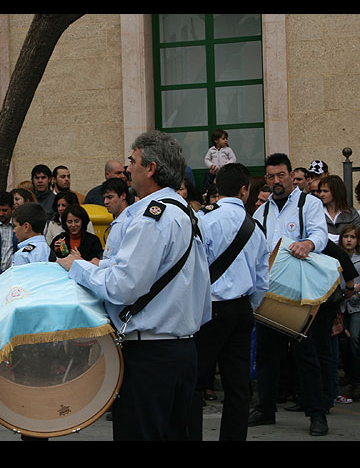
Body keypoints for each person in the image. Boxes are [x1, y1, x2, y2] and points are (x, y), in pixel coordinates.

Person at [57, 130, 212, 441]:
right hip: (181, 347)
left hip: (150, 352)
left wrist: (78, 267)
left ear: (151, 168)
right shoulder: (185, 213)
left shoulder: (151, 217)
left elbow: (123, 286)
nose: (128, 169)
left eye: (133, 161)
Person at [249, 152, 332, 436]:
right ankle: (266, 409)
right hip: (270, 294)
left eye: (281, 175)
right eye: (271, 177)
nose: (276, 181)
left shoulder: (308, 203)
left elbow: (321, 234)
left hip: (300, 293)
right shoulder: (262, 211)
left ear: (291, 176)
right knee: (267, 355)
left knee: (306, 354)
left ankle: (317, 414)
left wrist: (308, 243)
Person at [192, 163, 269, 441]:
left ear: (216, 189)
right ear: (244, 190)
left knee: (195, 385)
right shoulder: (255, 227)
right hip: (242, 309)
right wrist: (252, 306)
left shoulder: (204, 219)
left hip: (208, 309)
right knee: (238, 388)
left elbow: (194, 268)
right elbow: (262, 279)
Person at [339, 225, 360, 401]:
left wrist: (356, 289)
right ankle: (349, 374)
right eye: (346, 236)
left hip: (357, 305)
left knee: (354, 338)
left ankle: (356, 381)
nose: (349, 240)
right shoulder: (337, 258)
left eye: (353, 237)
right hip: (341, 306)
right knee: (342, 341)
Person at [317, 174, 360, 243]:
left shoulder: (352, 214)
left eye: (325, 191)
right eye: (320, 191)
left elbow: (358, 236)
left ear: (336, 192)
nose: (321, 194)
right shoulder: (316, 212)